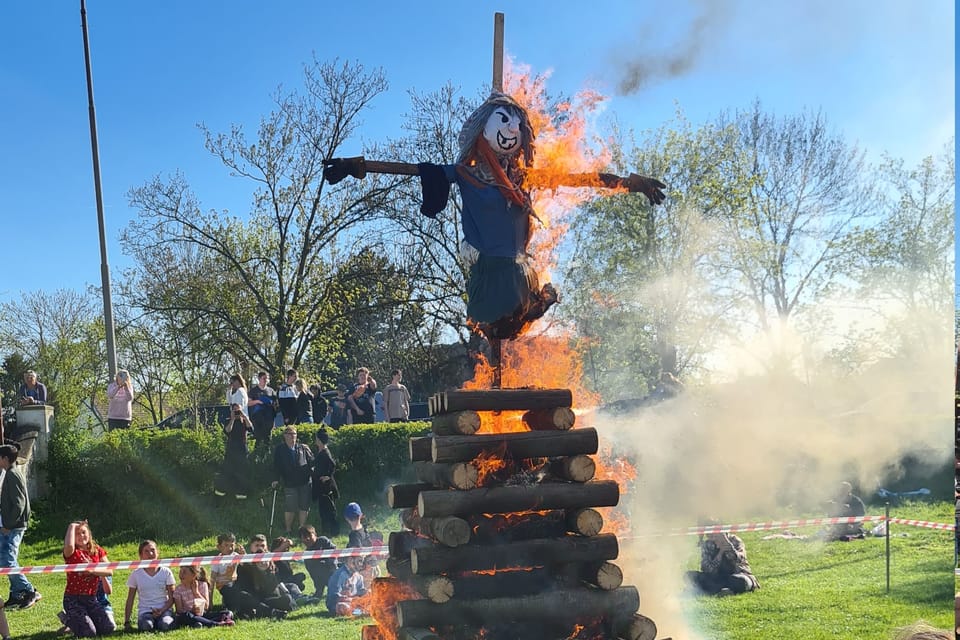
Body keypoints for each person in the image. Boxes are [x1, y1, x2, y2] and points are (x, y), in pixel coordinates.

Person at [323, 92, 665, 340]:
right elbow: (413, 170)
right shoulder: (465, 173)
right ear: (482, 128)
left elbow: (581, 179)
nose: (510, 129)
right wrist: (358, 166)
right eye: (503, 121)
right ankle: (535, 303)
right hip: (487, 264)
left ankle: (536, 301)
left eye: (517, 125)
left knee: (511, 318)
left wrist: (630, 183)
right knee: (494, 324)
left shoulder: (524, 179)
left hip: (516, 265)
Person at [0, 443, 41, 610]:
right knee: (6, 559)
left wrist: (9, 525)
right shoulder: (10, 473)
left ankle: (29, 590)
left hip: (13, 526)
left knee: (7, 560)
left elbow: (19, 504)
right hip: (11, 525)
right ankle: (17, 594)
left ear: (5, 458)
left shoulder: (12, 475)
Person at [62, 520, 115, 637]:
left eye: (83, 532)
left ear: (89, 533)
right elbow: (69, 545)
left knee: (108, 629)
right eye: (77, 534)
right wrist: (72, 525)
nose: (81, 536)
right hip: (73, 599)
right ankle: (67, 620)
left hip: (91, 598)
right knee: (89, 633)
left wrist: (92, 571)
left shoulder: (97, 550)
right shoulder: (71, 553)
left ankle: (82, 619)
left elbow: (109, 571)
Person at [684, 522, 759, 596]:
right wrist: (720, 553)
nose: (712, 537)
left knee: (741, 581)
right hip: (717, 577)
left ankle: (715, 589)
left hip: (737, 575)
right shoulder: (708, 545)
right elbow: (707, 569)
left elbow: (739, 560)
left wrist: (728, 547)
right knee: (689, 575)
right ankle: (724, 589)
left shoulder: (735, 540)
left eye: (714, 534)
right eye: (709, 535)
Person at [234, 534, 294, 618]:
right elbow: (243, 587)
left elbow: (275, 586)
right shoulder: (243, 565)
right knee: (243, 596)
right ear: (251, 547)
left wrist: (266, 571)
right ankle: (271, 612)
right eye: (257, 545)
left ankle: (261, 610)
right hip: (254, 597)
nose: (260, 548)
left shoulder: (272, 564)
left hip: (269, 598)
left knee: (287, 598)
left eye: (262, 545)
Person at [123, 540, 175, 632]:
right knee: (146, 626)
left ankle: (162, 621)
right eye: (146, 551)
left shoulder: (166, 572)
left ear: (157, 553)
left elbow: (172, 598)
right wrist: (127, 622)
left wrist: (161, 610)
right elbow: (130, 599)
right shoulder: (136, 574)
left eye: (153, 550)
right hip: (145, 612)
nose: (150, 553)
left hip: (164, 610)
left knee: (165, 625)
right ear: (141, 555)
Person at [272, 426, 314, 533]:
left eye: (294, 434)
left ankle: (302, 528)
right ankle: (288, 529)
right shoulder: (280, 449)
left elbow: (312, 462)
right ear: (284, 436)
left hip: (304, 482)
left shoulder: (303, 448)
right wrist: (275, 479)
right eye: (289, 434)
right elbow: (276, 466)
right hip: (289, 482)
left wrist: (313, 473)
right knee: (290, 507)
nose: (292, 436)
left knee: (304, 506)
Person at [209, 533, 261, 620]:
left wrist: (244, 555)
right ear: (219, 547)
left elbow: (248, 567)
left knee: (241, 596)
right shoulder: (217, 561)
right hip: (224, 586)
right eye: (226, 545)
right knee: (242, 596)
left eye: (232, 545)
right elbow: (212, 580)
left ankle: (246, 611)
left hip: (236, 583)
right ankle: (266, 609)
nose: (230, 548)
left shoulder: (235, 556)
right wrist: (210, 599)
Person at [215, 402, 252, 499]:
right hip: (231, 448)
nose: (236, 412)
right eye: (234, 410)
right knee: (227, 470)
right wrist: (232, 419)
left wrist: (244, 416)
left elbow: (251, 428)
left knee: (242, 470)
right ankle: (221, 493)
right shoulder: (228, 420)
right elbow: (227, 431)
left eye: (238, 410)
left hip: (242, 448)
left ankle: (241, 493)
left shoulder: (244, 421)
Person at [312, 428, 340, 537]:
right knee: (323, 510)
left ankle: (334, 531)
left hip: (326, 487)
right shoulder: (320, 451)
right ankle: (326, 530)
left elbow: (333, 465)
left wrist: (328, 476)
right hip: (320, 485)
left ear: (319, 440)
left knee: (329, 509)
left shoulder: (325, 452)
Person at [298, 526, 337, 600]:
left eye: (309, 536)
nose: (307, 539)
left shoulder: (323, 540)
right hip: (322, 575)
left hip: (334, 570)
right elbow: (315, 575)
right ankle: (319, 591)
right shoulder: (307, 554)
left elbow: (334, 552)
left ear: (315, 534)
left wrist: (330, 564)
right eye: (304, 537)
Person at [247, 371, 277, 450]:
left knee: (268, 439)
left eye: (267, 378)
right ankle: (257, 456)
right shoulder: (253, 391)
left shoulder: (271, 390)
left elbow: (275, 403)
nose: (266, 380)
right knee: (258, 439)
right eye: (264, 378)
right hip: (257, 418)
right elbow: (248, 403)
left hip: (269, 418)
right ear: (259, 379)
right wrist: (257, 401)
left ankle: (267, 457)